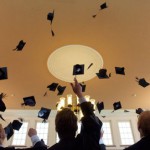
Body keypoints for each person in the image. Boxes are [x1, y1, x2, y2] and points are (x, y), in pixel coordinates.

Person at [48, 78, 102, 150]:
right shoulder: (85, 145)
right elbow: (93, 123)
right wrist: (79, 94)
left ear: (56, 128)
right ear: (76, 127)